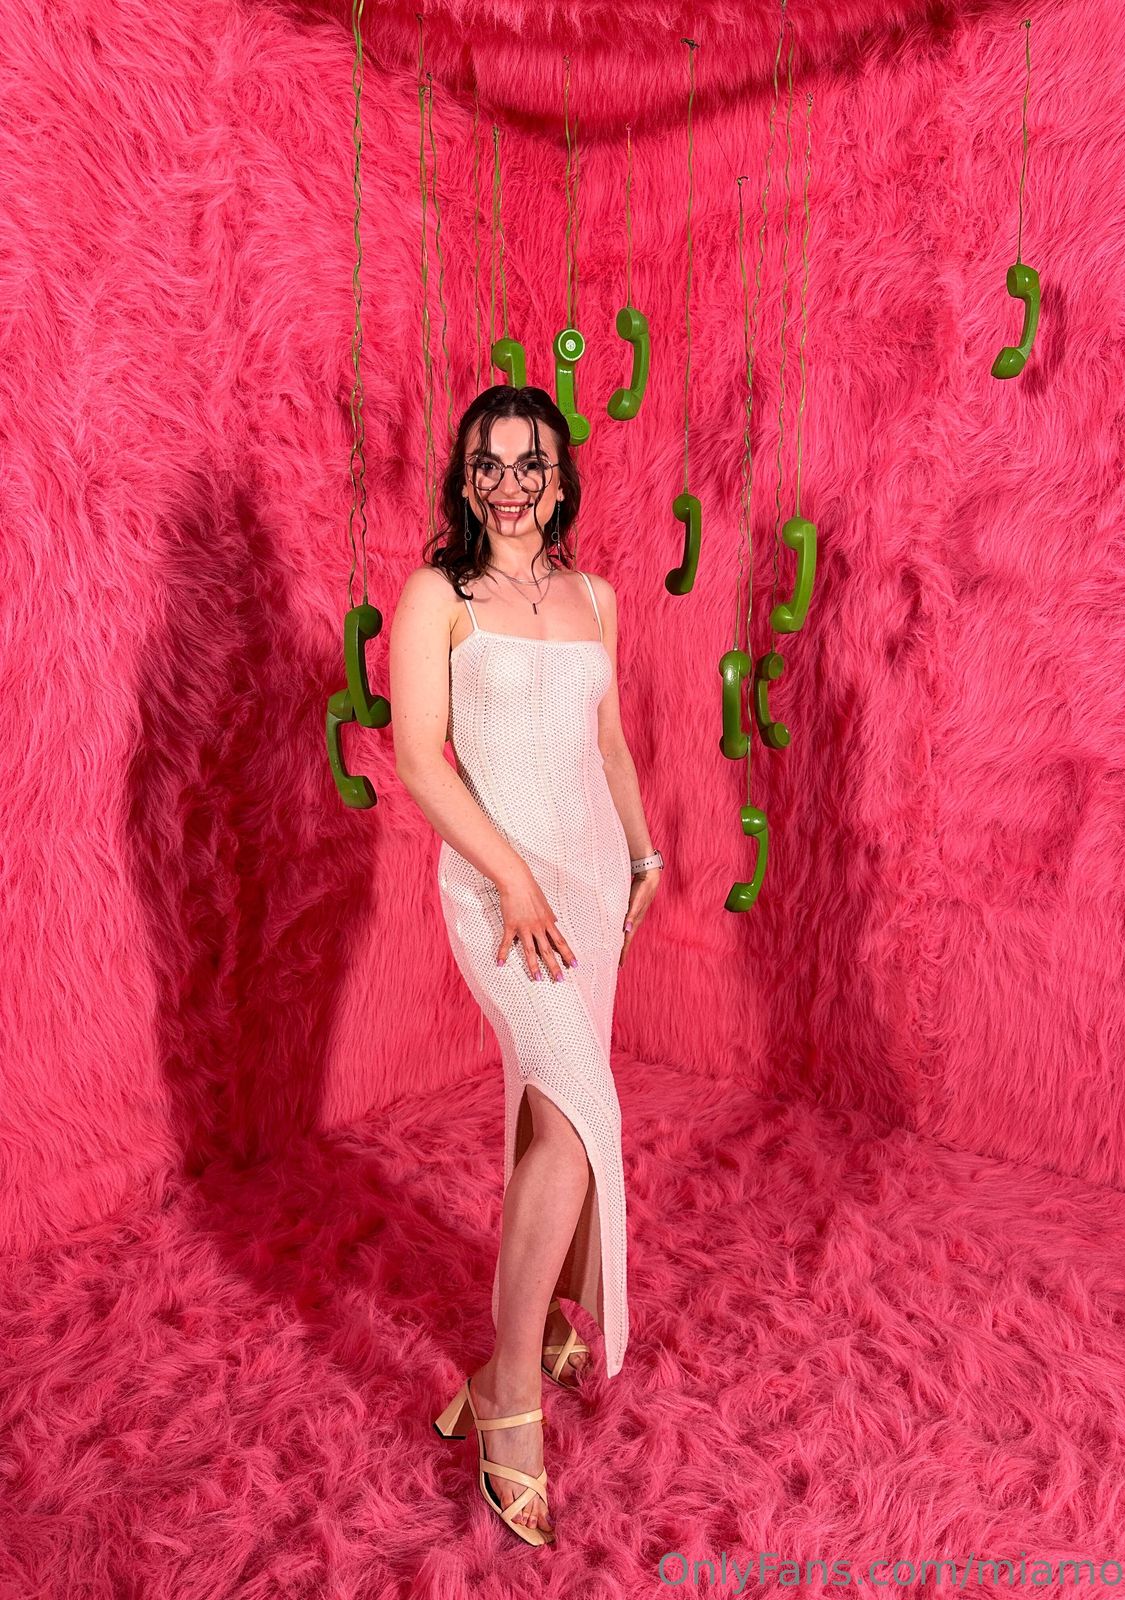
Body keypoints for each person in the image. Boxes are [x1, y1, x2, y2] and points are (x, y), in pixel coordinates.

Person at [389, 384, 662, 1546]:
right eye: (488, 464)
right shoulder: (436, 597)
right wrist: (511, 876)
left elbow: (608, 741)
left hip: (590, 886)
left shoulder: (596, 598)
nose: (509, 484)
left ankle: (534, 1329)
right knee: (577, 1120)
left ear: (560, 481)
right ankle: (507, 1396)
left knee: (557, 1113)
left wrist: (643, 852)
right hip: (503, 894)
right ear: (464, 480)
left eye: (530, 463)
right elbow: (419, 757)